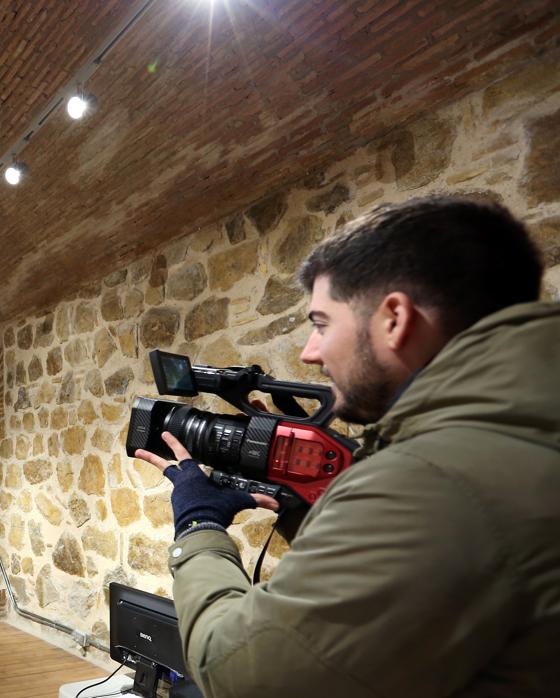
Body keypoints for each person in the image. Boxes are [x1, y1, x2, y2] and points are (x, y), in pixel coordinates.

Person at [134, 196, 560, 697]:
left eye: (321, 324)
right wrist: (302, 501)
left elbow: (242, 674)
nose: (309, 353)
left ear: (394, 319)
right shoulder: (519, 432)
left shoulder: (432, 482)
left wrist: (198, 523)